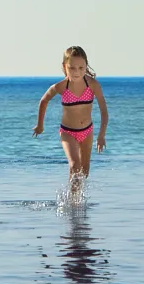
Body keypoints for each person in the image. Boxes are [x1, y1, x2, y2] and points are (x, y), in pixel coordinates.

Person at [33, 45, 109, 190]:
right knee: (75, 165)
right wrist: (40, 125)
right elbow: (44, 100)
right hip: (68, 132)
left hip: (87, 131)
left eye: (81, 68)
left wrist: (101, 136)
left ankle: (76, 200)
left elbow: (104, 111)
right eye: (72, 68)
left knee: (84, 172)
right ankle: (71, 199)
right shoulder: (61, 86)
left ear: (86, 66)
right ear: (64, 66)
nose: (76, 72)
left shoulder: (93, 85)